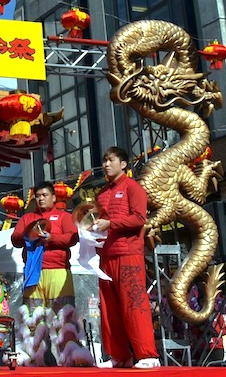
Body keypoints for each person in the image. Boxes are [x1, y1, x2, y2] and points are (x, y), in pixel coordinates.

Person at [90, 147, 159, 369]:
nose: (106, 164)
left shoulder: (134, 189)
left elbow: (139, 219)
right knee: (109, 309)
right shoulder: (101, 194)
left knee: (134, 305)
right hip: (106, 256)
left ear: (124, 164)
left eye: (111, 160)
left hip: (129, 254)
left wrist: (111, 224)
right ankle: (119, 356)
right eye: (104, 160)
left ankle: (147, 354)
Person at [11, 181, 78, 366]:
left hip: (58, 271)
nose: (40, 198)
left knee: (63, 317)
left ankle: (69, 358)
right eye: (38, 196)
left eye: (44, 195)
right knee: (33, 317)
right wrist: (27, 233)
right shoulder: (28, 217)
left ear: (54, 197)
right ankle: (35, 358)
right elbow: (16, 240)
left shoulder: (64, 217)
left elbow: (73, 238)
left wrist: (52, 238)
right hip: (34, 272)